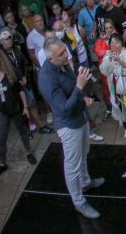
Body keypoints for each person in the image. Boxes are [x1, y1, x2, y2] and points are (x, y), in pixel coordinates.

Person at [37, 37, 103, 219]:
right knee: (72, 164)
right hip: (69, 125)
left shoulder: (63, 65)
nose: (66, 56)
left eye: (65, 51)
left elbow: (73, 87)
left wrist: (83, 97)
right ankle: (79, 202)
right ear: (50, 59)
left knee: (84, 152)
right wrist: (79, 87)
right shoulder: (46, 78)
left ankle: (86, 182)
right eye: (61, 54)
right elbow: (64, 109)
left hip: (80, 117)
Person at [0, 49, 37, 177]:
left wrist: (25, 107)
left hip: (16, 108)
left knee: (23, 132)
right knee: (1, 137)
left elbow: (20, 91)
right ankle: (2, 163)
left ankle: (29, 153)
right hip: (3, 112)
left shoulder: (9, 72)